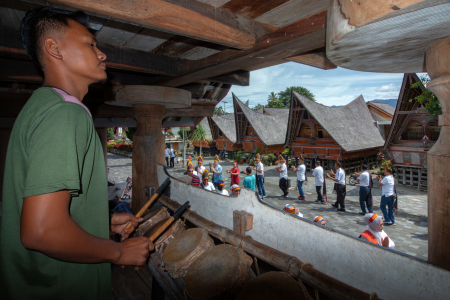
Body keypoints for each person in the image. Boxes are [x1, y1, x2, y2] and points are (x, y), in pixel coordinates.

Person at [0, 7, 153, 299]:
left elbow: (48, 211)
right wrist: (118, 252)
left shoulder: (42, 107)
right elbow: (41, 231)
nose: (102, 53)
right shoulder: (64, 113)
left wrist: (98, 220)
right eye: (89, 43)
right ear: (54, 48)